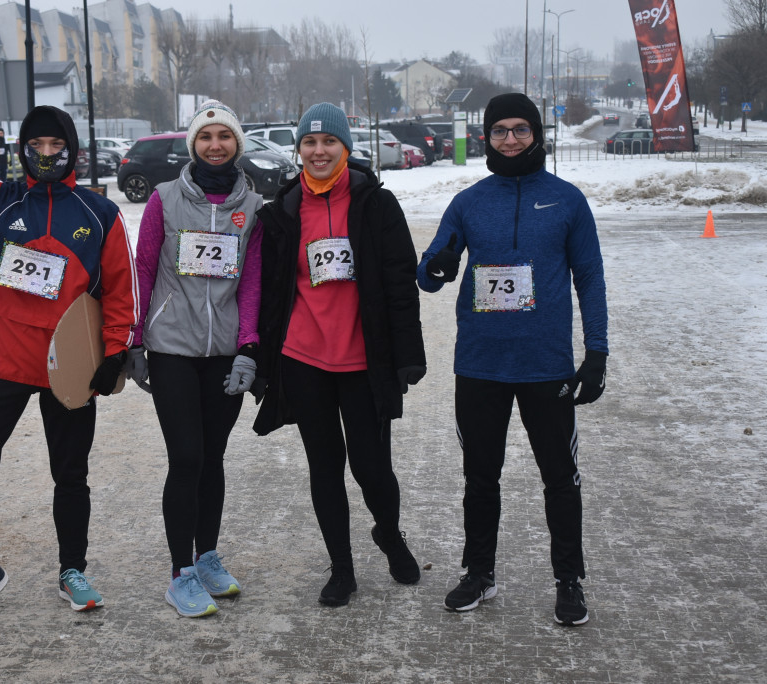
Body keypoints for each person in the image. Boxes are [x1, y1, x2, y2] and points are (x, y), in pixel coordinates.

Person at [0, 105, 139, 622]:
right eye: (35, 147)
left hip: (71, 368)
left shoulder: (98, 212)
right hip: (3, 363)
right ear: (22, 151)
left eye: (55, 147)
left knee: (71, 474)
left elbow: (122, 290)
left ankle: (72, 570)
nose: (45, 155)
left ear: (71, 150)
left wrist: (115, 351)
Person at [416, 92, 608, 626]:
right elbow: (429, 267)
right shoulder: (470, 201)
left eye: (521, 130)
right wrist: (437, 267)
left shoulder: (567, 200)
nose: (510, 139)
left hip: (547, 365)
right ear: (487, 137)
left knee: (560, 477)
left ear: (538, 135)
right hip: (480, 363)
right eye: (500, 131)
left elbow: (590, 278)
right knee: (480, 477)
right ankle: (479, 572)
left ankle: (569, 579)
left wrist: (597, 351)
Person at [253, 103, 426, 607]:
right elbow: (270, 292)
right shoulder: (283, 211)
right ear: (299, 149)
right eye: (310, 142)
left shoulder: (376, 204)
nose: (319, 151)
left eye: (329, 142)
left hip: (362, 359)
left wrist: (407, 354)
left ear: (345, 148)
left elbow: (400, 282)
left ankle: (389, 535)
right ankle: (342, 568)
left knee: (372, 467)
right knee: (324, 465)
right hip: (303, 357)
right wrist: (263, 361)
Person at [126, 100, 262, 618]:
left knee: (213, 459)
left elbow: (251, 280)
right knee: (186, 458)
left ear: (236, 144)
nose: (215, 145)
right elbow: (143, 268)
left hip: (223, 352)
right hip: (172, 349)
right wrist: (136, 339)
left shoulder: (253, 206)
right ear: (193, 145)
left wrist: (249, 344)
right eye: (205, 137)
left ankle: (206, 557)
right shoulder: (164, 199)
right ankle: (179, 574)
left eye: (224, 136)